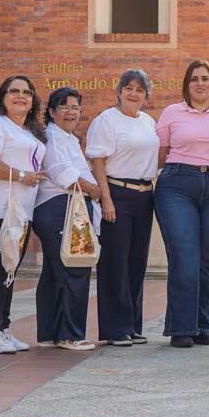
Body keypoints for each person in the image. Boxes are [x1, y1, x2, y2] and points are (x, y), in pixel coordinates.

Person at [155, 59, 209, 348]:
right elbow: (160, 154)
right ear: (186, 85)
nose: (200, 84)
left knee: (206, 259)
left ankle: (202, 325)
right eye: (194, 79)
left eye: (205, 78)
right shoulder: (172, 113)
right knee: (184, 255)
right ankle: (181, 327)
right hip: (177, 185)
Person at [87, 69, 161, 347]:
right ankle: (115, 328)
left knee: (136, 262)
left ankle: (132, 325)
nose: (133, 94)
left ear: (146, 96)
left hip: (145, 195)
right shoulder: (106, 120)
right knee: (114, 263)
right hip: (117, 193)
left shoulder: (148, 122)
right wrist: (106, 199)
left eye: (140, 90)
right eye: (128, 88)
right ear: (119, 91)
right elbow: (98, 162)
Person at [0, 75, 46, 354]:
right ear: (2, 96)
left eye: (26, 92)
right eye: (13, 91)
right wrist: (21, 175)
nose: (20, 96)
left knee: (10, 269)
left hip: (22, 211)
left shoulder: (31, 131)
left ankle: (3, 328)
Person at [35, 87, 104, 350]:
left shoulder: (69, 138)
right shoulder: (51, 136)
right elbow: (61, 172)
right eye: (64, 107)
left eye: (75, 107)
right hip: (59, 205)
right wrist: (95, 190)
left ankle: (49, 333)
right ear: (51, 112)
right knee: (75, 267)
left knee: (55, 272)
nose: (71, 112)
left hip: (65, 206)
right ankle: (70, 335)